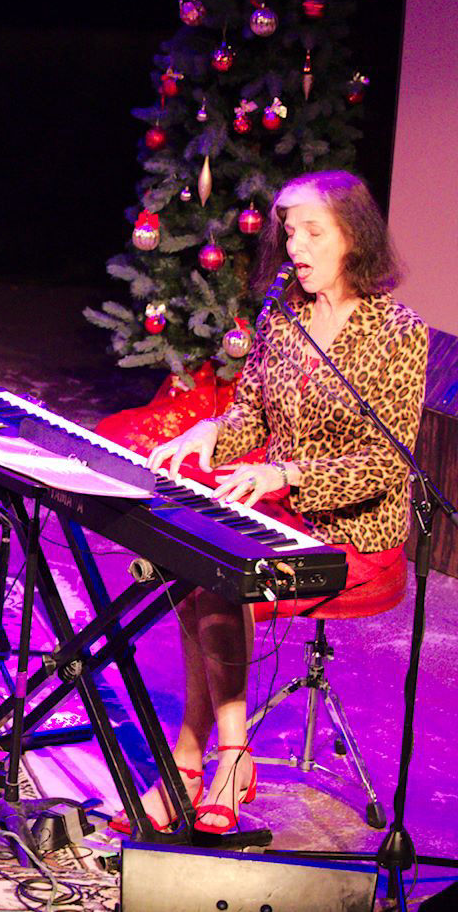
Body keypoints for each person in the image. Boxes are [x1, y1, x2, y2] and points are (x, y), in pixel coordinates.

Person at [127, 170, 427, 836]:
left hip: (357, 538)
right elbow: (251, 413)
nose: (297, 246)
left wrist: (285, 474)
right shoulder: (284, 312)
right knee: (195, 562)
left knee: (222, 576)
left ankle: (197, 761)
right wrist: (213, 430)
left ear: (356, 239)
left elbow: (384, 465)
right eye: (290, 231)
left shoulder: (398, 333)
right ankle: (218, 755)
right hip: (281, 513)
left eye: (314, 232)